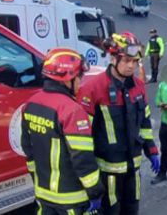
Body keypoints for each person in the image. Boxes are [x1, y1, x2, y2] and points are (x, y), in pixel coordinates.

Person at [77, 32, 160, 215]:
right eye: (127, 60)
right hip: (108, 173)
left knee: (132, 210)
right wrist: (90, 182)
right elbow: (82, 138)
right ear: (113, 58)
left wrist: (151, 150)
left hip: (133, 170)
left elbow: (144, 122)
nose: (131, 66)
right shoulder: (93, 89)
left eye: (135, 61)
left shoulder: (138, 86)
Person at [21, 48, 104, 215]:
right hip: (72, 198)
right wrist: (95, 190)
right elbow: (82, 157)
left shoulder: (30, 104)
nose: (81, 81)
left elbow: (28, 149)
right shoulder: (72, 111)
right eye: (79, 76)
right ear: (68, 78)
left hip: (43, 195)